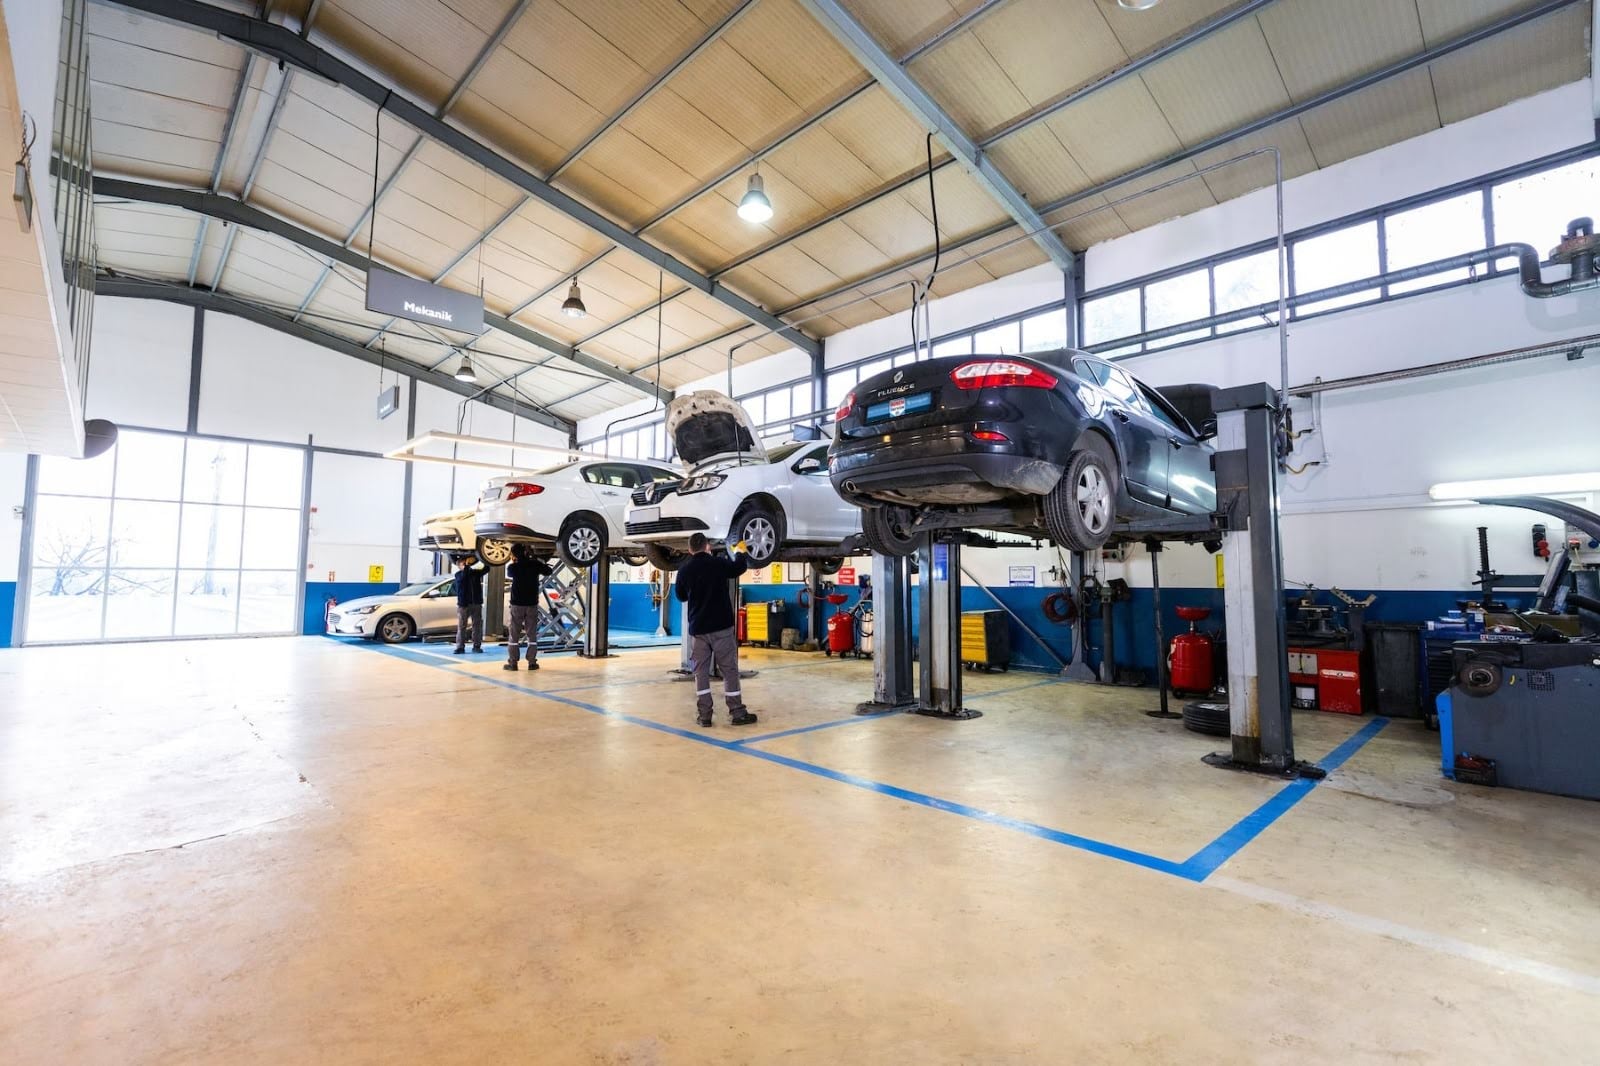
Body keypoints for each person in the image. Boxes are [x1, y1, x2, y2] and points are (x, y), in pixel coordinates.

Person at [675, 532, 758, 728]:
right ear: (708, 547)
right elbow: (738, 568)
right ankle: (737, 713)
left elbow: (681, 596)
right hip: (721, 628)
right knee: (729, 670)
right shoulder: (718, 563)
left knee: (701, 673)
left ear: (689, 550)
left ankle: (705, 716)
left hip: (699, 631)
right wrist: (740, 552)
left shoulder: (684, 570)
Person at [504, 546, 552, 671]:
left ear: (514, 555)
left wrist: (515, 561)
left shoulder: (512, 567)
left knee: (514, 634)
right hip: (531, 604)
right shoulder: (535, 565)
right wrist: (537, 560)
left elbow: (509, 573)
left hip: (517, 604)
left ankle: (513, 663)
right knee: (532, 634)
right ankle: (532, 662)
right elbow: (548, 571)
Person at [452, 555, 486, 654]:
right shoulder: (458, 575)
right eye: (463, 564)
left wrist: (483, 559)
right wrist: (467, 565)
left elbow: (486, 569)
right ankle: (460, 647)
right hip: (464, 604)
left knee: (477, 626)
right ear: (459, 566)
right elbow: (464, 576)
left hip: (476, 603)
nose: (466, 565)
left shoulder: (475, 573)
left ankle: (476, 645)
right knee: (462, 626)